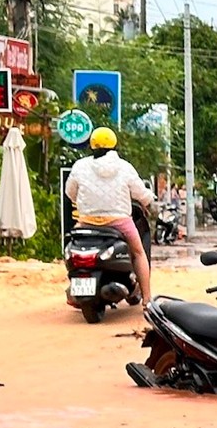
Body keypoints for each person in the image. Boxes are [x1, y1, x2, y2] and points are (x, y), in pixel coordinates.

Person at [63, 127, 156, 304]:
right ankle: (147, 299)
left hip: (86, 222)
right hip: (118, 221)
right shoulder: (124, 167)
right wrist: (149, 200)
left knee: (70, 247)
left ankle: (73, 284)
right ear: (114, 145)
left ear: (91, 145)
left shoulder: (80, 166)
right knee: (138, 253)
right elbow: (141, 194)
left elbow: (70, 192)